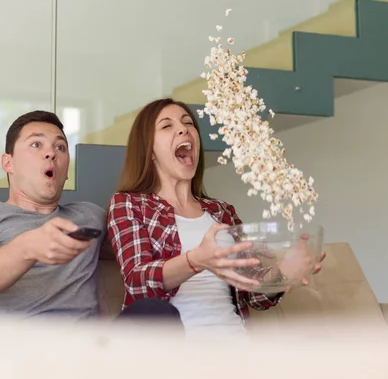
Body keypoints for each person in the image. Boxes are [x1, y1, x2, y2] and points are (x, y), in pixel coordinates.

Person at [107, 98, 325, 339]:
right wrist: (195, 261)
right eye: (167, 126)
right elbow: (137, 282)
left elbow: (252, 293)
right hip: (169, 351)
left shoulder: (222, 212)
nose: (183, 129)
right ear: (149, 152)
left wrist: (284, 271)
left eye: (188, 123)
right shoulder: (129, 204)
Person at [0, 110, 181, 325]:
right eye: (36, 144)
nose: (50, 153)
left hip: (87, 356)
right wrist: (30, 246)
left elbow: (143, 252)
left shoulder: (89, 216)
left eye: (60, 148)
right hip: (12, 356)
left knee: (156, 312)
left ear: (67, 171)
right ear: (8, 162)